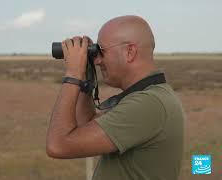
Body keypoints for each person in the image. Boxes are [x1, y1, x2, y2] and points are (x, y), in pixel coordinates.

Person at [46, 15, 185, 180]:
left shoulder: (148, 103)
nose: (97, 60)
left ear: (130, 52)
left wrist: (72, 75)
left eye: (101, 51)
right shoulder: (149, 96)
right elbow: (87, 126)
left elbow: (59, 146)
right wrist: (84, 76)